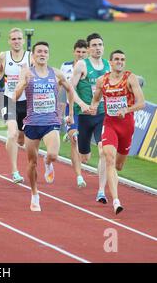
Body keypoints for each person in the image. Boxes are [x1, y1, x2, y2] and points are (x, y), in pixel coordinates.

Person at [14, 41, 74, 212]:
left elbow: (70, 90)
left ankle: (48, 162)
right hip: (32, 123)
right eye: (39, 51)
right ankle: (34, 194)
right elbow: (15, 96)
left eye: (45, 51)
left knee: (53, 154)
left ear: (48, 55)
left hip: (51, 122)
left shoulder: (56, 74)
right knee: (32, 163)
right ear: (33, 55)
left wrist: (69, 114)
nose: (42, 54)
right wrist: (24, 84)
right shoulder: (27, 73)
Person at [90, 50, 145, 214]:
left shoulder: (130, 78)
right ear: (110, 62)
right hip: (110, 124)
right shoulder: (102, 80)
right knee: (109, 159)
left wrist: (126, 109)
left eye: (122, 59)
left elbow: (141, 103)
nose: (120, 61)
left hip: (127, 126)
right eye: (117, 59)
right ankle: (116, 201)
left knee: (119, 166)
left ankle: (114, 195)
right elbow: (96, 98)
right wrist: (93, 107)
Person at [0, 28, 31, 184]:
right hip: (9, 100)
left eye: (19, 38)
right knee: (12, 134)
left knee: (21, 140)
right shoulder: (3, 56)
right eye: (13, 39)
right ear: (9, 41)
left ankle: (18, 144)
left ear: (23, 40)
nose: (17, 41)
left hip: (26, 102)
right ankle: (15, 172)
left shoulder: (30, 57)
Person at [71, 33, 111, 204]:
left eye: (100, 44)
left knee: (103, 151)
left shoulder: (109, 65)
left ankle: (101, 191)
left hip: (102, 115)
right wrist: (82, 104)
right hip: (84, 116)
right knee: (85, 156)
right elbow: (70, 89)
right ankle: (75, 140)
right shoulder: (82, 65)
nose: (97, 48)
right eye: (94, 45)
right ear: (88, 49)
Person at [59, 39, 88, 188]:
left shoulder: (91, 67)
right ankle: (79, 177)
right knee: (75, 140)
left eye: (84, 52)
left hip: (89, 111)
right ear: (74, 52)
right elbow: (60, 87)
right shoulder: (65, 66)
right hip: (72, 109)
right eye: (78, 52)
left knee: (86, 155)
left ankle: (70, 133)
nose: (81, 55)